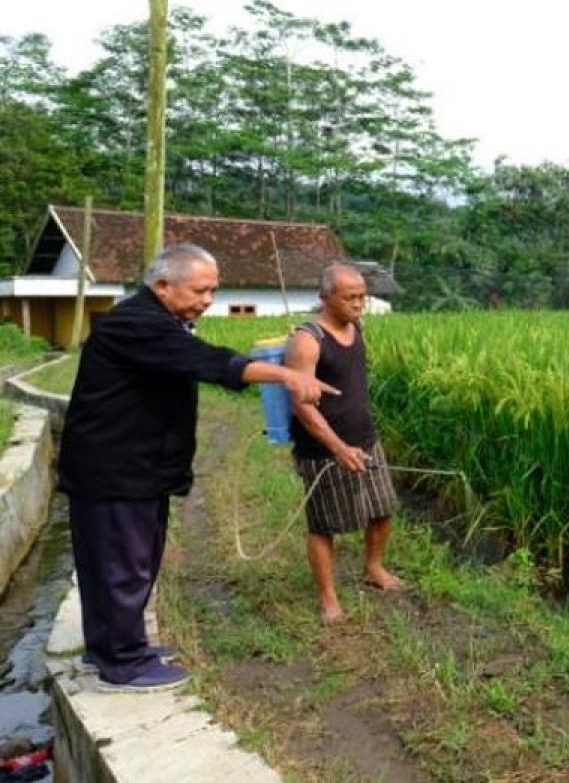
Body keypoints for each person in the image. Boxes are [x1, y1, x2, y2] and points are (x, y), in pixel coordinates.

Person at [58, 243, 337, 694]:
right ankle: (124, 662)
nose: (208, 300)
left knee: (128, 560)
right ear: (163, 286)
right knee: (122, 565)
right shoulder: (139, 324)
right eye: (201, 290)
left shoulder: (161, 320)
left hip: (133, 467)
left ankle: (112, 645)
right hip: (115, 470)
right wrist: (287, 375)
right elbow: (209, 362)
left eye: (214, 290)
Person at [286, 263, 402, 625]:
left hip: (365, 439)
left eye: (362, 296)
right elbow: (302, 406)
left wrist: (357, 441)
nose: (358, 303)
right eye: (349, 297)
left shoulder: (357, 327)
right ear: (325, 297)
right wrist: (337, 448)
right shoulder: (307, 340)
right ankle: (328, 598)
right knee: (324, 525)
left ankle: (373, 567)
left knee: (383, 509)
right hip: (323, 450)